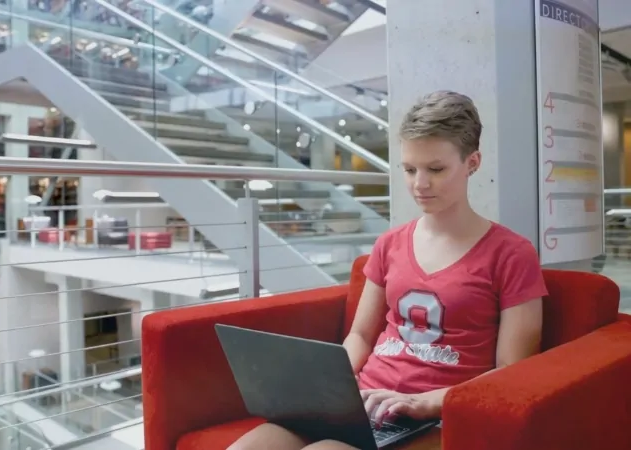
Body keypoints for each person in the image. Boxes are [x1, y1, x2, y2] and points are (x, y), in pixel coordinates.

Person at [228, 91, 548, 450]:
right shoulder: (389, 244)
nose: (419, 184)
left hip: (437, 416)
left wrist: (426, 402)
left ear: (472, 163)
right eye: (410, 169)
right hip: (364, 405)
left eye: (436, 169)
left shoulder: (512, 254)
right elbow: (361, 336)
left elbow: (514, 371)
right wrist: (331, 388)